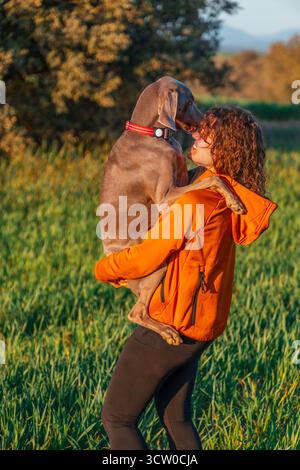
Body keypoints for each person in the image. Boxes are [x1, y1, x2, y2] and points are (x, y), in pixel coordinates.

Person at [94, 105, 278, 450]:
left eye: (205, 133)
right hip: (199, 326)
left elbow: (149, 256)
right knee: (176, 419)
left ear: (225, 146)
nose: (195, 134)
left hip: (170, 323)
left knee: (118, 419)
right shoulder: (223, 192)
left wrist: (103, 269)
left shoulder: (196, 202)